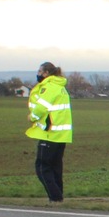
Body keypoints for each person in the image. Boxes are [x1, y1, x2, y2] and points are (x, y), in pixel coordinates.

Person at [27, 62, 73, 202]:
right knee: (55, 167)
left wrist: (32, 117)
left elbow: (42, 107)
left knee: (42, 167)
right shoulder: (60, 87)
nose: (38, 74)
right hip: (62, 135)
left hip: (50, 133)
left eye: (40, 71)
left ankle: (55, 198)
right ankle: (58, 199)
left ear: (46, 73)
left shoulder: (49, 87)